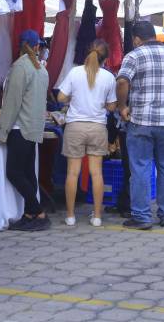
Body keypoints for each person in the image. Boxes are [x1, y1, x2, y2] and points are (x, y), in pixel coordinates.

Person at [116, 21, 164, 230]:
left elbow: (122, 81)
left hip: (141, 120)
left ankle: (142, 216)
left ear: (136, 39)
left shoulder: (134, 55)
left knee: (140, 168)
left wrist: (123, 106)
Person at [58, 39, 118, 227]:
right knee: (96, 173)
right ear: (105, 58)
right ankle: (97, 216)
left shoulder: (74, 73)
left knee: (72, 173)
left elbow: (60, 97)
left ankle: (70, 216)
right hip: (97, 128)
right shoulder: (108, 77)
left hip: (75, 126)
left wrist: (72, 97)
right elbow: (112, 105)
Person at [0, 30, 51, 232]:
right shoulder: (41, 69)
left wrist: (3, 131)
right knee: (28, 172)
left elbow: (12, 102)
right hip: (33, 126)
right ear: (37, 46)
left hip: (19, 127)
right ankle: (30, 212)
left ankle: (37, 211)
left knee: (14, 172)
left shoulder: (20, 67)